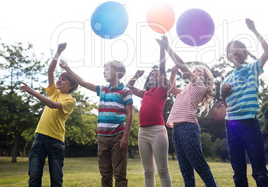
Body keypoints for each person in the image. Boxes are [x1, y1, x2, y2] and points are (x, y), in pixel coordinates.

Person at [60, 58, 133, 187]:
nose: (103, 73)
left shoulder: (125, 91)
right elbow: (82, 82)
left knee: (119, 174)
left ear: (116, 71)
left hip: (118, 136)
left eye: (106, 69)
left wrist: (125, 136)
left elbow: (130, 113)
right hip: (102, 137)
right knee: (105, 173)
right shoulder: (103, 89)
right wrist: (67, 68)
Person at [156, 36, 216, 187]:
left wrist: (167, 48)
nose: (194, 72)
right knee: (185, 169)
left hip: (188, 128)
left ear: (203, 77)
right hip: (177, 129)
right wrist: (173, 73)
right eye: (194, 70)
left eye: (198, 71)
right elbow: (171, 89)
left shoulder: (199, 85)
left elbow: (182, 65)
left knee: (199, 165)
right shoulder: (186, 89)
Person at [220, 18, 268, 187]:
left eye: (238, 50)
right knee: (238, 171)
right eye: (231, 51)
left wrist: (254, 30)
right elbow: (225, 106)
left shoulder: (252, 69)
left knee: (259, 171)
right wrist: (223, 93)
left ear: (246, 53)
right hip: (231, 125)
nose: (234, 53)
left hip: (250, 123)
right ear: (228, 57)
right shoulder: (226, 80)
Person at [20, 43, 78, 187]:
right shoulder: (54, 92)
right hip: (40, 137)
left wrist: (31, 91)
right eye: (60, 78)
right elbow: (50, 70)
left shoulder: (70, 100)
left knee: (56, 180)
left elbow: (52, 105)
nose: (59, 80)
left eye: (64, 79)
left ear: (71, 86)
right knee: (33, 177)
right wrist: (58, 51)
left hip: (56, 142)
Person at [126, 38, 172, 187]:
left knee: (162, 170)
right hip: (142, 133)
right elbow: (128, 87)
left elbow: (163, 68)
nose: (154, 75)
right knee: (147, 171)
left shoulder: (162, 90)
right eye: (152, 74)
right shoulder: (145, 93)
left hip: (158, 132)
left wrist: (162, 48)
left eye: (157, 75)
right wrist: (135, 76)